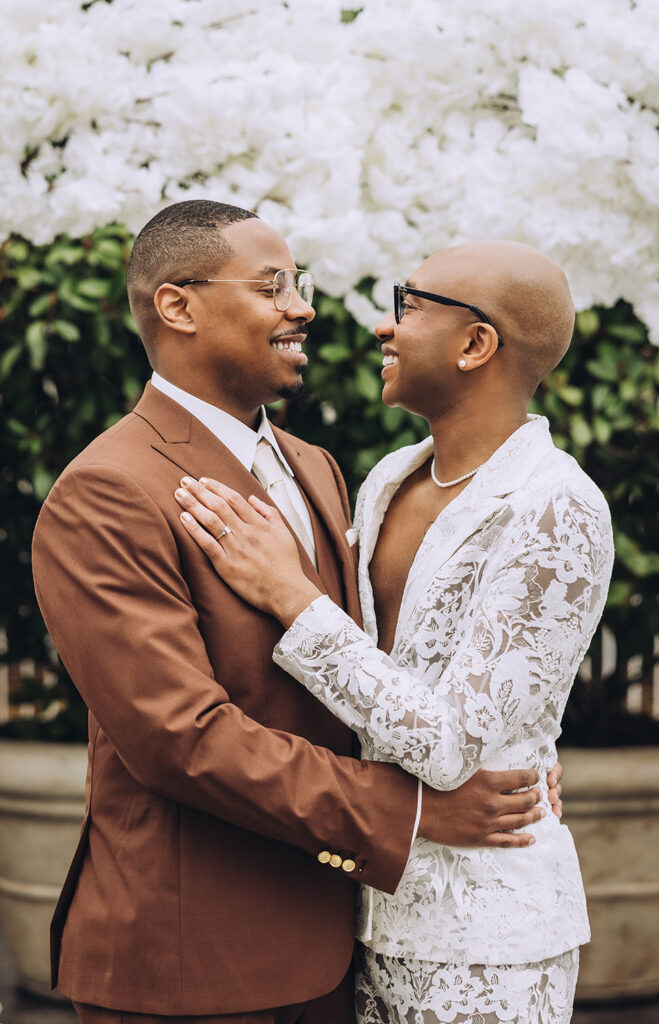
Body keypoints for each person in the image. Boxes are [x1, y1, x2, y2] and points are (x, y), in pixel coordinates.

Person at [31, 203, 560, 1024]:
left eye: (298, 284)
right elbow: (183, 738)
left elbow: (359, 662)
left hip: (331, 941)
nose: (303, 306)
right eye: (272, 286)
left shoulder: (317, 467)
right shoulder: (108, 490)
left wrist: (514, 744)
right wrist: (413, 811)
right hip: (191, 960)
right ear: (179, 306)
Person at [173, 239, 614, 1024]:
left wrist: (289, 594)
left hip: (488, 939)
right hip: (359, 913)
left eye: (408, 305)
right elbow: (379, 687)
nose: (383, 326)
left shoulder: (556, 505)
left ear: (476, 343)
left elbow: (450, 743)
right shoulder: (386, 480)